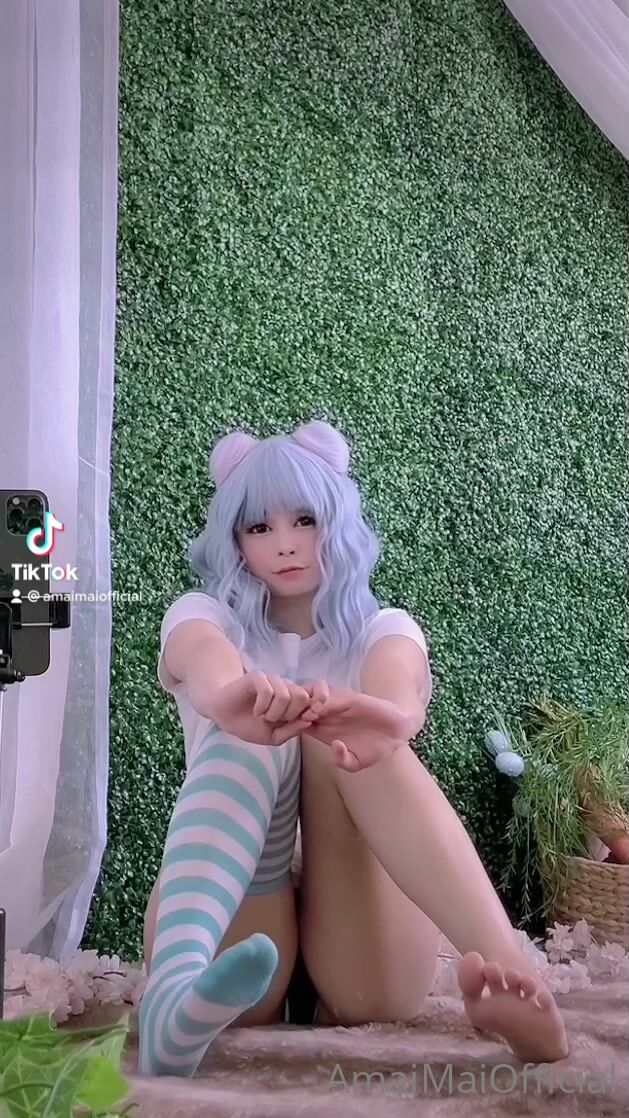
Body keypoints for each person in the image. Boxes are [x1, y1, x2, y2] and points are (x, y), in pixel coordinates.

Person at [139, 419, 569, 1077]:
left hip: (361, 928)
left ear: (336, 521)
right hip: (231, 898)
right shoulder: (205, 616)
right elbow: (204, 658)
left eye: (304, 520)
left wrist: (388, 719)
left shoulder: (381, 629)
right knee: (255, 729)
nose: (285, 543)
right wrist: (231, 698)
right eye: (259, 527)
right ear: (234, 540)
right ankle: (173, 1002)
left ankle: (513, 976)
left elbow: (397, 681)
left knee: (354, 739)